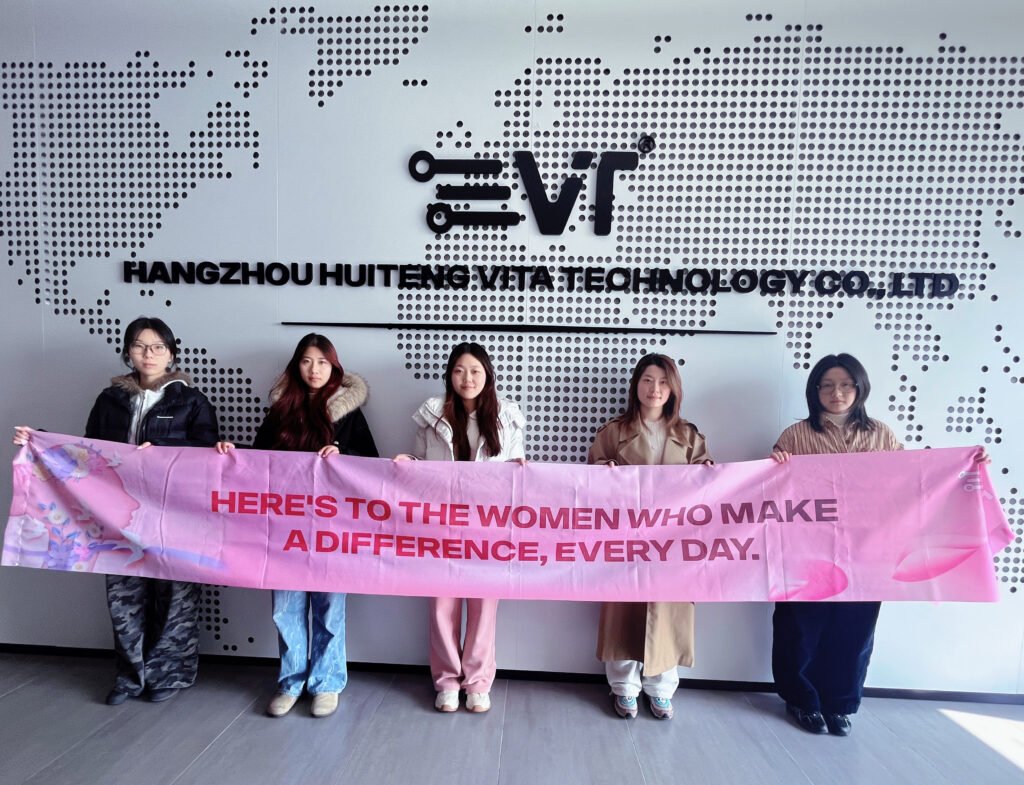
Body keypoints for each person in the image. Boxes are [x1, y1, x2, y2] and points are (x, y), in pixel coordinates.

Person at [15, 316, 219, 705]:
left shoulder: (192, 401)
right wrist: (38, 439)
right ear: (128, 353)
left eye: (157, 347)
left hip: (175, 515)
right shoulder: (110, 400)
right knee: (125, 596)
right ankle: (129, 677)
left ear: (171, 353)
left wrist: (162, 450)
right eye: (139, 346)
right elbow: (86, 453)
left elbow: (208, 455)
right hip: (120, 516)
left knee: (175, 597)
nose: (148, 354)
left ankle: (167, 675)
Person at [217, 333, 378, 718]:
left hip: (332, 527)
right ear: (296, 365)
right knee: (285, 607)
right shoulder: (281, 410)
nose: (314, 369)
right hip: (284, 527)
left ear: (334, 368)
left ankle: (327, 683)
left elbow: (373, 463)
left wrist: (343, 453)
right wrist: (233, 453)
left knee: (329, 608)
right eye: (307, 361)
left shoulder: (349, 412)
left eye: (322, 362)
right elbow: (260, 462)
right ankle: (291, 682)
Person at [769, 352, 902, 737]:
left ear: (860, 388)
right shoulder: (796, 436)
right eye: (826, 385)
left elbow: (914, 481)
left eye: (845, 385)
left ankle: (839, 704)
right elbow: (772, 492)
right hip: (806, 549)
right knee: (800, 627)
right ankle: (801, 700)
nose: (836, 393)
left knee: (854, 629)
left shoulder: (881, 435)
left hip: (865, 551)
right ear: (815, 391)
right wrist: (773, 465)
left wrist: (966, 465)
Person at [395, 342, 525, 713]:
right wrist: (409, 462)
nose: (467, 378)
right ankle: (447, 682)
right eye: (459, 370)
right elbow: (423, 466)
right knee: (442, 606)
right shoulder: (432, 415)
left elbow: (517, 469)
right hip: (441, 525)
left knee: (484, 607)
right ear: (450, 375)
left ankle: (478, 683)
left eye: (475, 371)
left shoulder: (507, 416)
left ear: (488, 375)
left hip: (488, 527)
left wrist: (519, 469)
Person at [587, 353, 711, 720]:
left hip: (672, 541)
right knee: (623, 609)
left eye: (662, 381)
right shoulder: (613, 432)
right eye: (647, 380)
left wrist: (707, 472)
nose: (654, 388)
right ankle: (624, 686)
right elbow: (590, 477)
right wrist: (604, 470)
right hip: (625, 537)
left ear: (673, 389)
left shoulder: (688, 435)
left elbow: (708, 485)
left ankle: (661, 688)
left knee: (667, 611)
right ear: (636, 385)